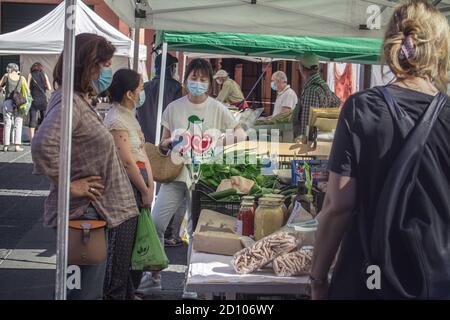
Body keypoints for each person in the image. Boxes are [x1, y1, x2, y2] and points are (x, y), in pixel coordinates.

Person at [311, 0, 450, 300]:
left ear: (390, 43)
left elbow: (339, 206)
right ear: (440, 49)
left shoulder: (362, 108)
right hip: (436, 282)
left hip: (368, 280)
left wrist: (318, 279)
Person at [31, 33, 140, 300]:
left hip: (89, 215)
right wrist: (69, 184)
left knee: (83, 288)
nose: (106, 71)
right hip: (84, 216)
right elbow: (42, 145)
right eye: (104, 65)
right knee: (81, 291)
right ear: (89, 64)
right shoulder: (70, 102)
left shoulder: (75, 100)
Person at [138, 58, 246, 298]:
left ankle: (192, 284)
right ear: (186, 79)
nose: (198, 83)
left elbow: (240, 134)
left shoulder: (218, 108)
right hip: (176, 175)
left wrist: (219, 141)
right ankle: (152, 276)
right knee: (156, 222)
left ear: (209, 83)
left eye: (203, 79)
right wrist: (166, 144)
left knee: (194, 231)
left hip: (204, 179)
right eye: (194, 78)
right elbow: (163, 142)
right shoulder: (174, 107)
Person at [104, 68, 155, 300]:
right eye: (140, 89)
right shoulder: (115, 119)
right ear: (129, 94)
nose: (142, 92)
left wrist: (150, 185)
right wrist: (145, 189)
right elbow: (127, 161)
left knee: (137, 244)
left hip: (140, 186)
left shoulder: (129, 115)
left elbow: (142, 152)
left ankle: (129, 292)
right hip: (126, 189)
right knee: (123, 247)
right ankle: (116, 294)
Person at [136, 53, 184, 247]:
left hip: (146, 144)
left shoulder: (144, 87)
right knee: (169, 186)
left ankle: (144, 228)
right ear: (172, 69)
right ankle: (171, 232)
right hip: (168, 146)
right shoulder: (176, 89)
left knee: (146, 187)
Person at [295, 53, 341, 139]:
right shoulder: (323, 85)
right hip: (320, 138)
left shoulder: (311, 90)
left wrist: (304, 140)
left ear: (302, 68)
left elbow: (307, 124)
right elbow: (337, 101)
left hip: (310, 143)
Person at [0, 63, 30, 152]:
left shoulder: (6, 76)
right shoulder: (22, 78)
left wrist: (3, 89)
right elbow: (28, 92)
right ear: (16, 69)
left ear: (9, 69)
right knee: (18, 123)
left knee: (7, 123)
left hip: (8, 102)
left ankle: (6, 146)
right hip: (18, 103)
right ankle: (17, 146)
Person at [27, 62, 52, 141]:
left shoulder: (30, 75)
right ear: (41, 68)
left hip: (34, 100)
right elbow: (49, 88)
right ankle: (44, 138)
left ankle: (32, 140)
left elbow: (27, 88)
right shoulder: (44, 75)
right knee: (44, 119)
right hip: (43, 100)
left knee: (32, 119)